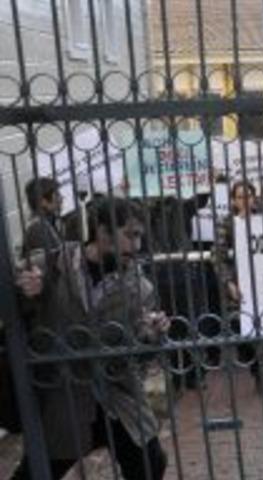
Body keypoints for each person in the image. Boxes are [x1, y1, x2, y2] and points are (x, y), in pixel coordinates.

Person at [13, 198, 168, 480]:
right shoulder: (53, 264)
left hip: (117, 398)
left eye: (140, 236)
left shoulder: (140, 288)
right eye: (130, 235)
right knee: (36, 473)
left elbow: (141, 356)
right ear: (102, 231)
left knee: (150, 463)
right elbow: (13, 296)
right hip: (65, 398)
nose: (137, 245)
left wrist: (150, 336)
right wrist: (24, 290)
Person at [214, 181, 263, 388]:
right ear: (233, 201)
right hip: (239, 285)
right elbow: (218, 256)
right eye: (240, 197)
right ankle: (257, 372)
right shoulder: (226, 223)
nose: (245, 201)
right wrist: (228, 283)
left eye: (248, 196)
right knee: (242, 331)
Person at [22, 177, 64, 256]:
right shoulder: (38, 228)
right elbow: (57, 258)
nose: (61, 198)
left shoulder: (50, 220)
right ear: (43, 201)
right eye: (57, 195)